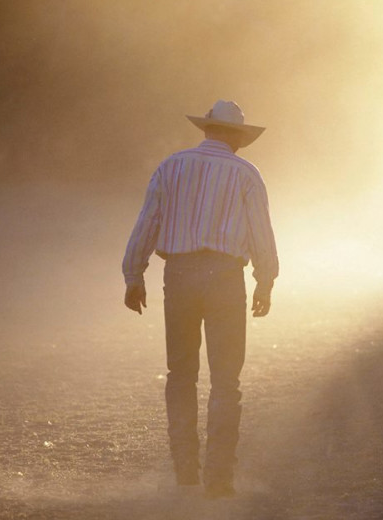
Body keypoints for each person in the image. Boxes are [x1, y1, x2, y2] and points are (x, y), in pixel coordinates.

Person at [122, 100, 278, 498]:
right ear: (237, 137)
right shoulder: (245, 173)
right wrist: (265, 280)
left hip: (180, 275)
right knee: (226, 380)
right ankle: (220, 476)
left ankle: (185, 471)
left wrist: (134, 274)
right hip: (226, 278)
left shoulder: (171, 166)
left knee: (181, 374)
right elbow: (261, 231)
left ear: (207, 130)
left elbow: (148, 221)